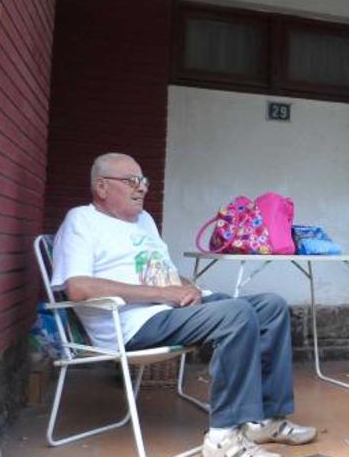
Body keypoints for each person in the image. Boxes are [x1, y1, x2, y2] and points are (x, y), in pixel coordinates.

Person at [50, 153, 315, 457]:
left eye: (144, 181)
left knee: (270, 306)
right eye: (131, 181)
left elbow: (161, 271)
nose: (142, 188)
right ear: (101, 186)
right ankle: (223, 438)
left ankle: (264, 419)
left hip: (170, 310)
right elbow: (79, 288)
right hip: (132, 324)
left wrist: (188, 287)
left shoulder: (144, 221)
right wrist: (164, 294)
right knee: (236, 315)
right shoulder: (81, 221)